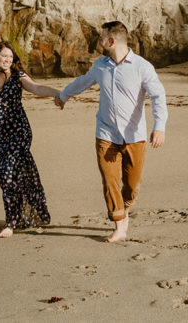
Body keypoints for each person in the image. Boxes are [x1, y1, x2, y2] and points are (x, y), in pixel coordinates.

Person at [55, 21, 167, 242]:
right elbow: (83, 81)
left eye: (101, 37)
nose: (98, 41)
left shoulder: (142, 66)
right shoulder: (100, 66)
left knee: (133, 185)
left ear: (112, 41)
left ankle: (123, 209)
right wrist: (64, 95)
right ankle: (119, 224)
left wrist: (159, 126)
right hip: (106, 133)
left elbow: (158, 96)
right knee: (110, 181)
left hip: (135, 135)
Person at [0, 41, 60, 238]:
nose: (7, 60)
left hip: (17, 133)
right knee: (7, 180)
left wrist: (58, 93)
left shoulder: (18, 76)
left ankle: (10, 224)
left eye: (11, 57)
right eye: (4, 56)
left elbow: (37, 88)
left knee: (8, 176)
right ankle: (22, 213)